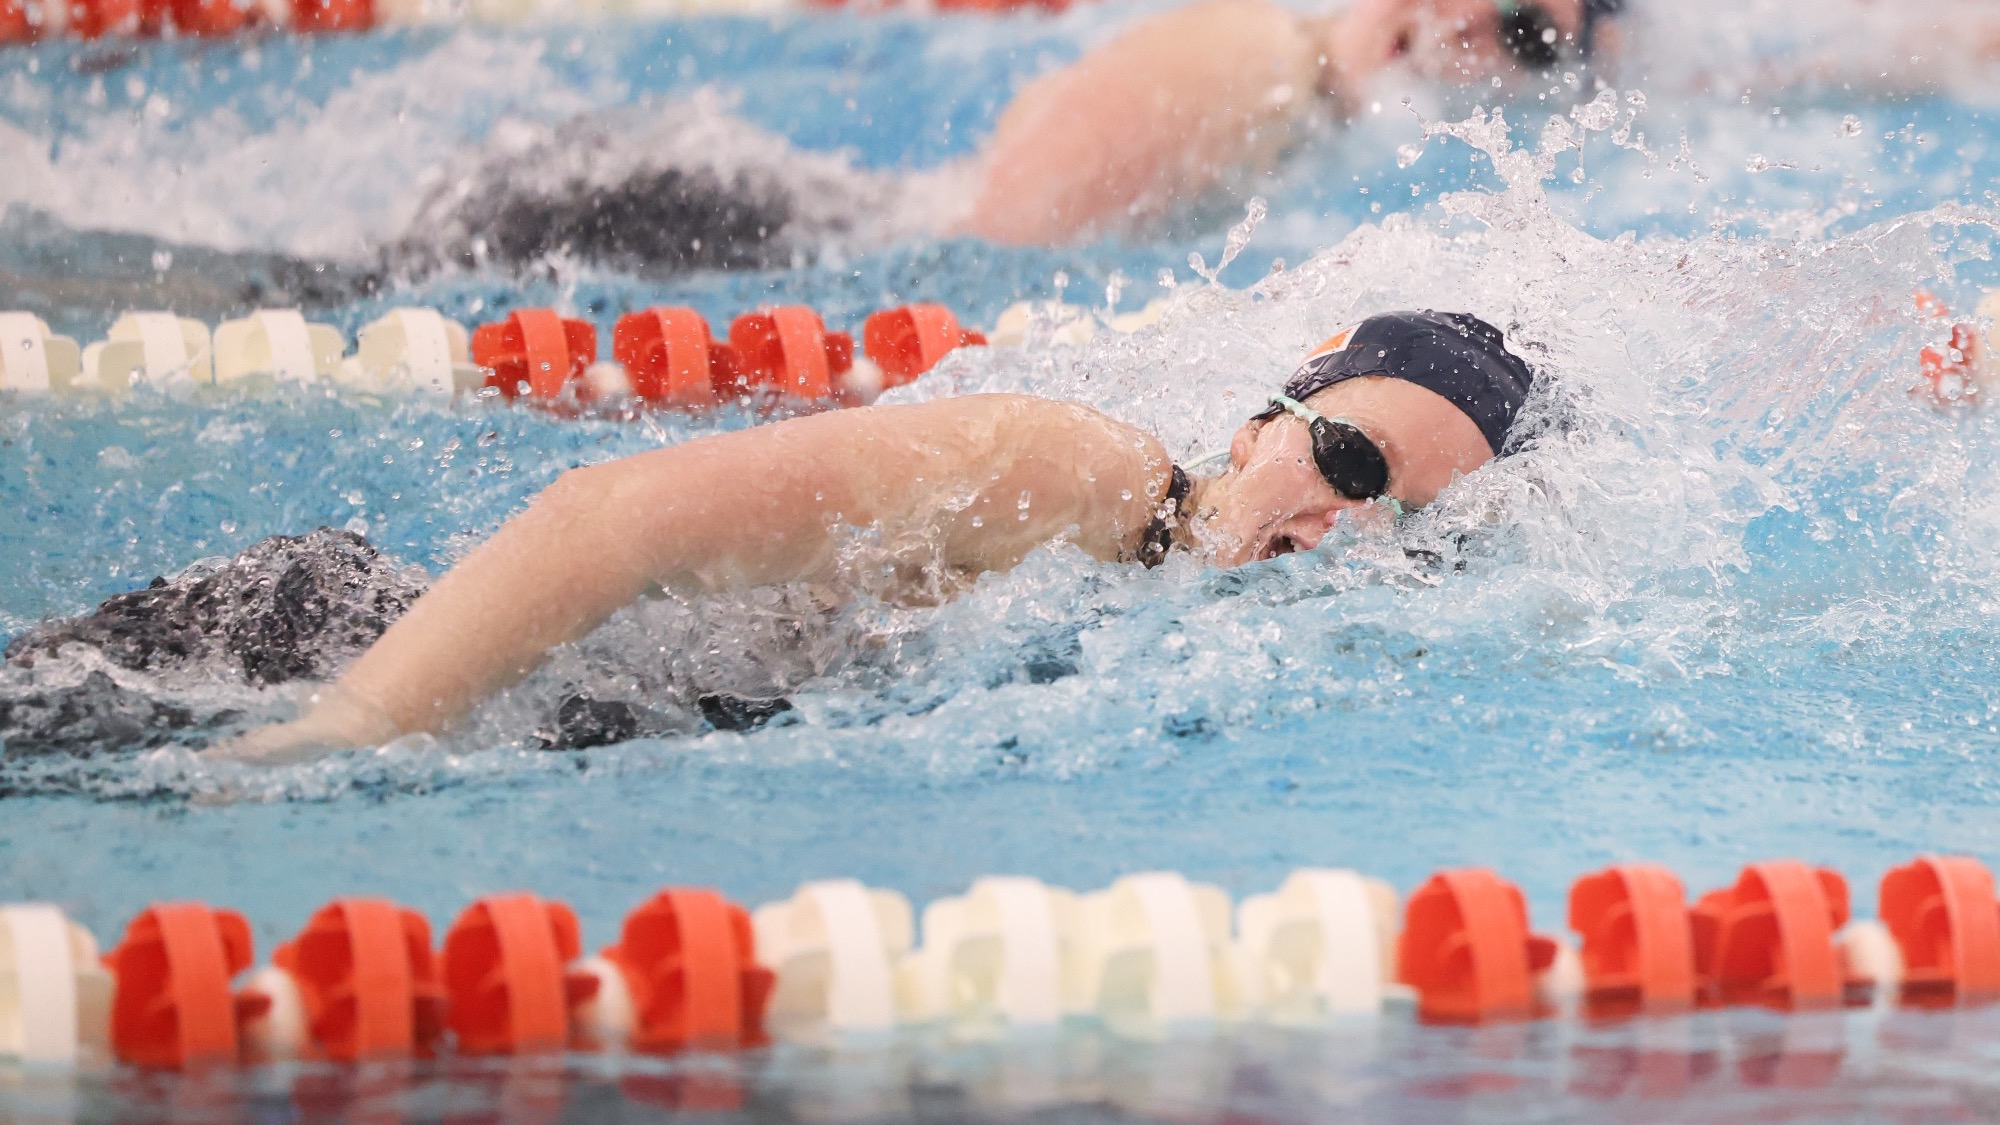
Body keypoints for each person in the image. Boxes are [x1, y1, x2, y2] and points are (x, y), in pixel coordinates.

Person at [207, 309, 1539, 765]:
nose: (1339, 528)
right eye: (1350, 459)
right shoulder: (1072, 477)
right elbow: (606, 517)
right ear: (1261, 425)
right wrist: (354, 725)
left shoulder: (1213, 645)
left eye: (1401, 528)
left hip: (572, 718)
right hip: (340, 650)